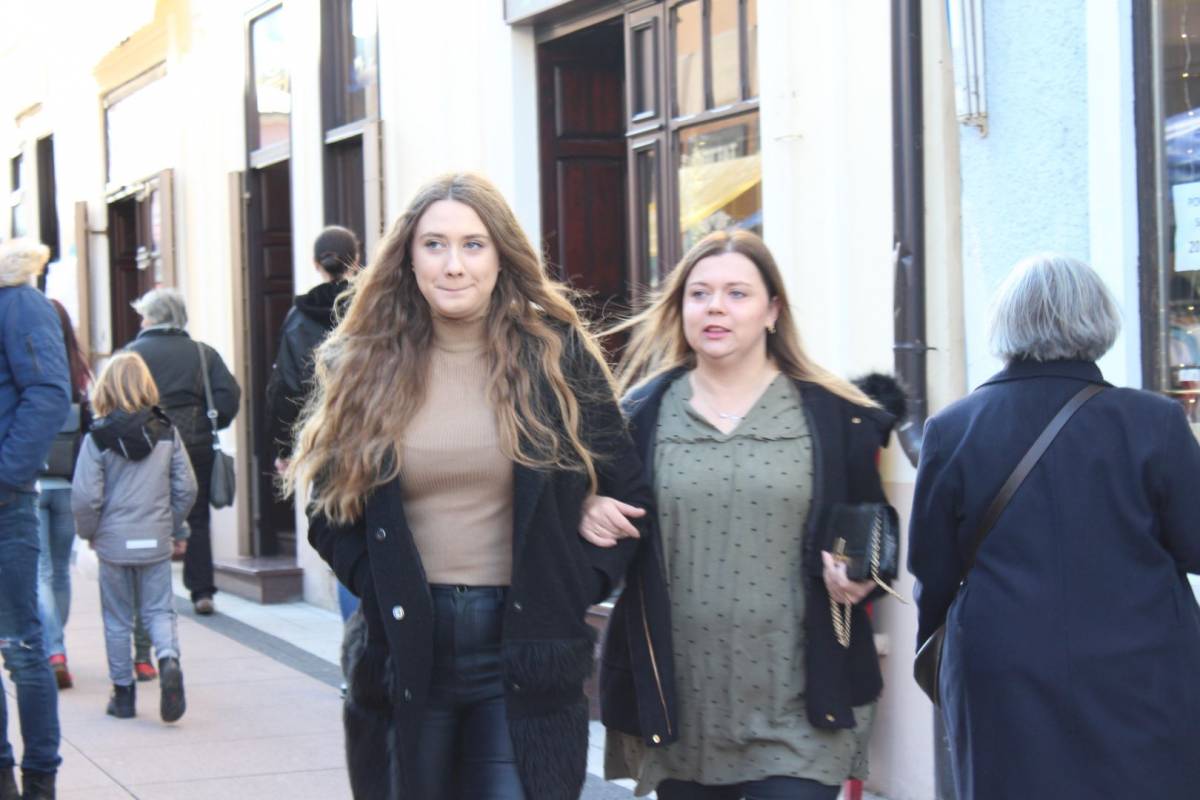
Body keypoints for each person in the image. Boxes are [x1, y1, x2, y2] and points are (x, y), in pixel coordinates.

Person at [285, 173, 648, 800]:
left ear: (501, 255)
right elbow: (327, 506)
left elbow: (628, 489)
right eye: (435, 245)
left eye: (473, 245)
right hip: (404, 650)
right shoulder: (365, 358)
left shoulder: (553, 355)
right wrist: (380, 584)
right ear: (409, 257)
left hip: (522, 651)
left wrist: (569, 585)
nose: (454, 265)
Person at [585, 230, 899, 800]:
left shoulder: (836, 415)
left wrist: (861, 572)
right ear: (680, 309)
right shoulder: (636, 418)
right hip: (683, 707)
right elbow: (598, 532)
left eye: (737, 293)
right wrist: (590, 506)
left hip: (801, 703)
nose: (716, 308)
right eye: (700, 294)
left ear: (772, 310)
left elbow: (869, 521)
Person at [908, 254, 1200, 799]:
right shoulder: (1153, 421)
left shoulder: (952, 429)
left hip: (1003, 671)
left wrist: (940, 664)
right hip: (1143, 672)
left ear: (1006, 323)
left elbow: (933, 571)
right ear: (1098, 321)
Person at [71, 352, 196, 723]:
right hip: (155, 539)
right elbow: (186, 488)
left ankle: (123, 696)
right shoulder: (167, 432)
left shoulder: (97, 438)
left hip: (113, 542)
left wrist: (90, 533)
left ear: (106, 387)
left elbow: (85, 497)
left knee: (117, 619)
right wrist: (170, 525)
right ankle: (168, 660)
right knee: (159, 610)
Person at [0, 238, 71, 800]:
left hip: (6, 506)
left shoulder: (18, 300)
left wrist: (6, 473)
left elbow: (49, 392)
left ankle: (40, 780)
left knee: (23, 647)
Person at [264, 225, 361, 628]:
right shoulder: (376, 305)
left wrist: (285, 448)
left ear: (314, 264)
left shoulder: (298, 317)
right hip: (379, 434)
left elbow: (286, 386)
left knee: (344, 542)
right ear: (357, 259)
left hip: (326, 441)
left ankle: (355, 644)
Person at [126, 288, 240, 617]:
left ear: (150, 318)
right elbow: (228, 397)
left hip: (146, 445)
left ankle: (153, 591)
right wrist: (208, 421)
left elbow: (119, 400)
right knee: (197, 517)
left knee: (149, 516)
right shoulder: (203, 354)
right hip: (195, 444)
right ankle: (202, 591)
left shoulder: (132, 355)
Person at [36, 300, 92, 691]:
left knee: (39, 572)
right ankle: (58, 648)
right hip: (70, 484)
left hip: (33, 484)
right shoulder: (79, 373)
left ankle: (52, 648)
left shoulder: (29, 366)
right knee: (59, 570)